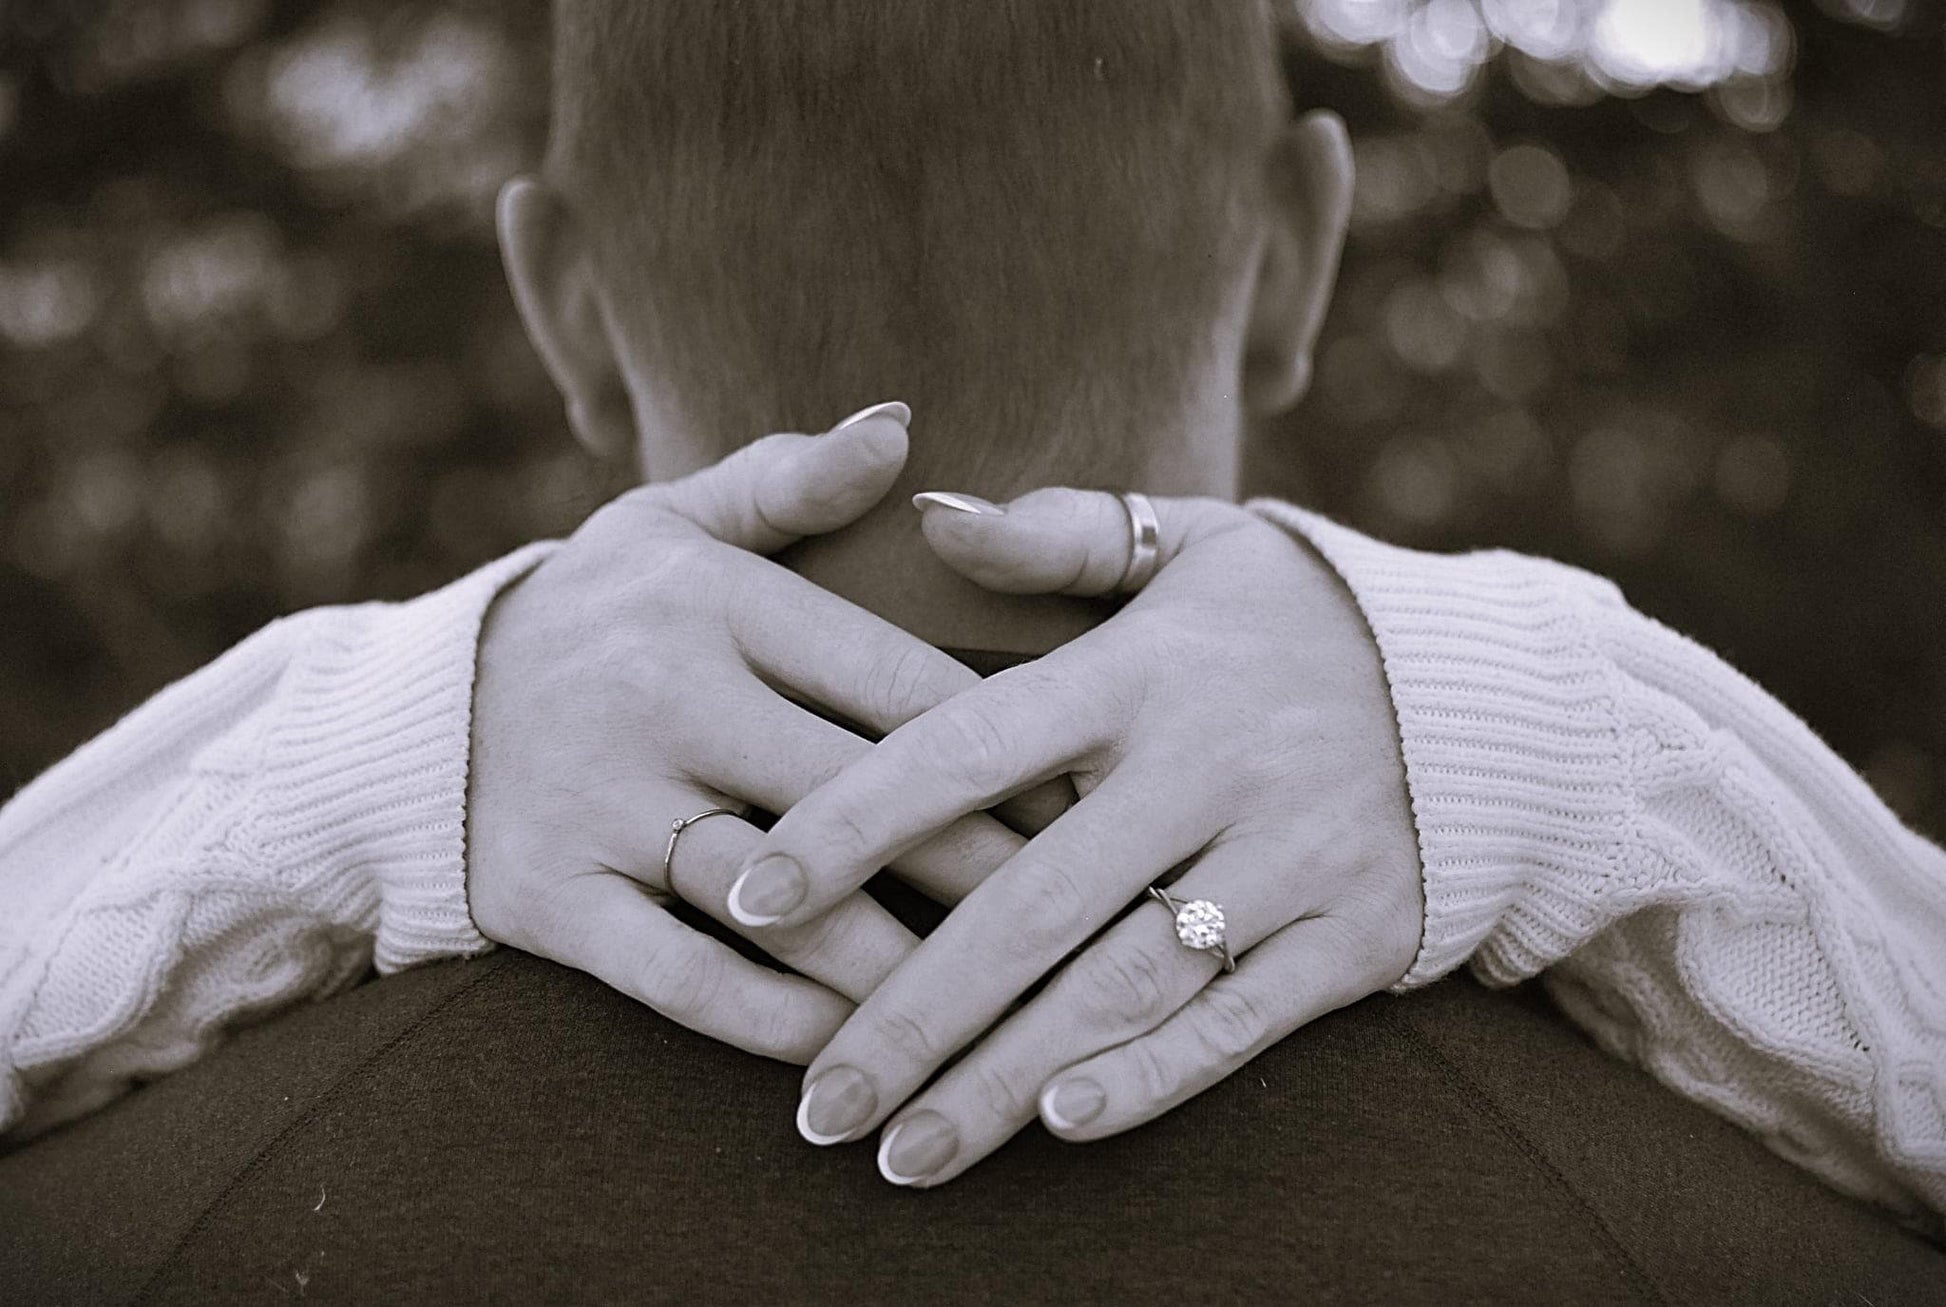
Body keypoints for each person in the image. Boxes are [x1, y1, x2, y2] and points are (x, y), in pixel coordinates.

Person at [2, 0, 1942, 1298]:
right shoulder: (1771, 1250)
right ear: (1299, 254)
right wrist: (1536, 726)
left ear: (560, 307)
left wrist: (372, 745)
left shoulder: (101, 1238)